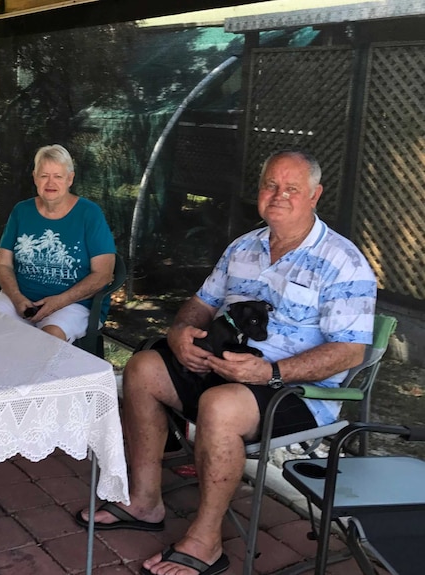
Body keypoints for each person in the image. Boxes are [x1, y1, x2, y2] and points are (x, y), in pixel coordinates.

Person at [77, 150, 377, 575]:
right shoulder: (244, 247)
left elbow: (350, 351)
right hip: (224, 369)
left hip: (296, 389)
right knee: (144, 367)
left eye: (292, 188)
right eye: (271, 185)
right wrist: (181, 332)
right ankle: (144, 502)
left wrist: (270, 371)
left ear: (315, 195)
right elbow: (202, 304)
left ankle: (206, 542)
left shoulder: (342, 261)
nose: (279, 195)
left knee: (219, 406)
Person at [0, 144, 116, 342]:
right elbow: (3, 263)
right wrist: (17, 298)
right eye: (44, 175)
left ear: (70, 179)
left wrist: (57, 302)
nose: (50, 182)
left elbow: (103, 275)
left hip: (73, 304)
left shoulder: (89, 214)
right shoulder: (22, 211)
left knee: (48, 340)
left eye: (58, 176)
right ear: (35, 177)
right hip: (19, 300)